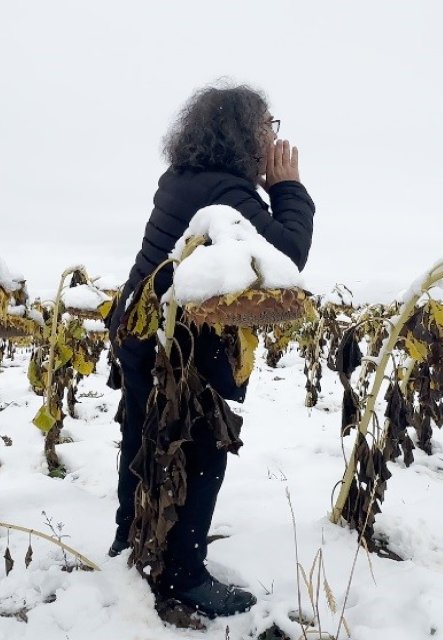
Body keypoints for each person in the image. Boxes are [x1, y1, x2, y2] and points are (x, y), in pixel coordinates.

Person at [106, 83, 315, 618]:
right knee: (200, 446)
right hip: (180, 344)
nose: (273, 137)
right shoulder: (223, 190)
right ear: (242, 134)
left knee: (145, 432)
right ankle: (182, 575)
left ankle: (131, 537)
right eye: (266, 126)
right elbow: (287, 257)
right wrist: (289, 189)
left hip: (140, 328)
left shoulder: (185, 179)